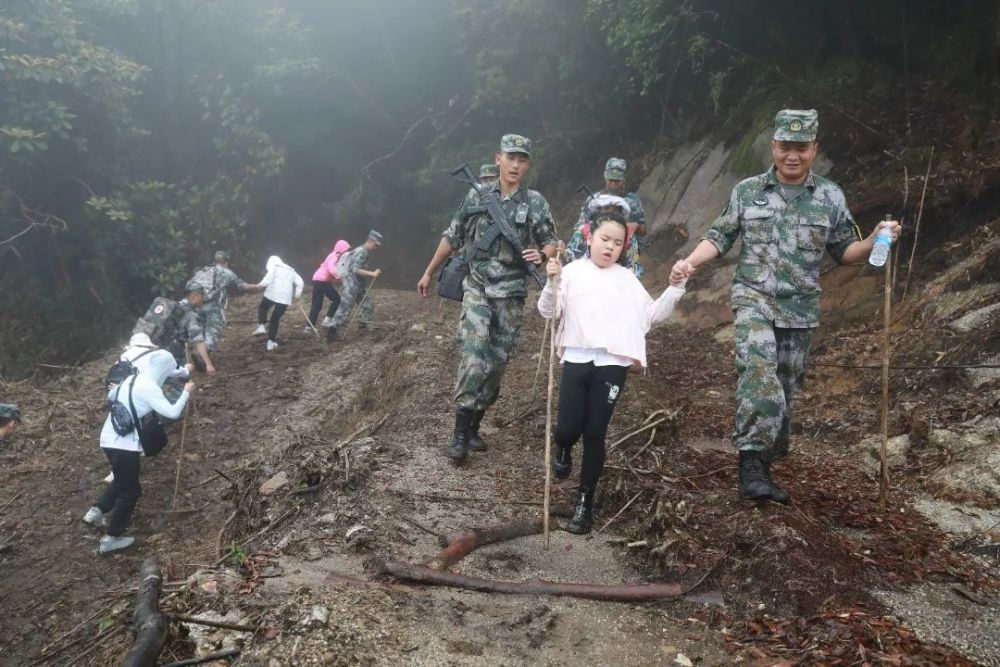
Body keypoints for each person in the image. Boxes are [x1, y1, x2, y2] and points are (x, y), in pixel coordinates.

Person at [670, 109, 901, 505]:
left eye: (801, 148)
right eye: (784, 148)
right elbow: (720, 235)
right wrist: (691, 262)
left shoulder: (829, 196)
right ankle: (751, 470)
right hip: (753, 300)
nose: (792, 156)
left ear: (814, 149)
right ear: (773, 147)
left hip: (800, 310)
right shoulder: (748, 191)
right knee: (759, 378)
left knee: (783, 394)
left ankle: (763, 460)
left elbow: (846, 251)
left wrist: (878, 239)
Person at [539, 196, 685, 533]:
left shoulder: (627, 280)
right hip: (576, 356)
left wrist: (676, 288)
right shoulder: (571, 272)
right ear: (588, 237)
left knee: (595, 434)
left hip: (612, 365)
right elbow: (548, 312)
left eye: (618, 243)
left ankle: (584, 505)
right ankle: (562, 447)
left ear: (625, 247)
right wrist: (551, 281)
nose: (610, 247)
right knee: (567, 429)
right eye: (604, 239)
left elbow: (651, 316)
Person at [417, 133, 558, 464]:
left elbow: (552, 241)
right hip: (477, 286)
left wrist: (541, 253)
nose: (515, 165)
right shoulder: (476, 195)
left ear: (528, 165)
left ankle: (474, 425)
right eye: (511, 157)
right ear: (498, 159)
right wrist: (428, 272)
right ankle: (458, 434)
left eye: (522, 159)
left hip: (512, 294)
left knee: (496, 365)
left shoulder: (535, 202)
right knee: (473, 356)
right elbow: (452, 236)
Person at [83, 350, 193, 554]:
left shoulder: (130, 379)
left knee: (123, 478)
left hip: (108, 439)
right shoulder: (150, 386)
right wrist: (186, 391)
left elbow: (111, 396)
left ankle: (97, 510)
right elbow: (172, 412)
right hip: (123, 445)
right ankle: (110, 538)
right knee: (131, 491)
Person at [567, 157, 648, 278]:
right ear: (605, 176)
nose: (613, 184)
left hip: (623, 251)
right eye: (610, 180)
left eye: (617, 181)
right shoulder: (593, 199)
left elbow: (643, 230)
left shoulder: (632, 200)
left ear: (623, 179)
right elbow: (580, 228)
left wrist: (634, 227)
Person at [133, 282, 215, 375]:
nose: (203, 299)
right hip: (167, 352)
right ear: (195, 296)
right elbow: (198, 341)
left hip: (146, 346)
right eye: (202, 295)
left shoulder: (173, 307)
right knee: (180, 374)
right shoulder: (190, 315)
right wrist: (209, 364)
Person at [188, 250, 261, 350]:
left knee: (201, 327)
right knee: (214, 328)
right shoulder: (227, 273)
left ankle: (197, 349)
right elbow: (244, 286)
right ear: (226, 262)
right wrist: (260, 286)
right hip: (210, 305)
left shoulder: (204, 269)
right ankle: (204, 351)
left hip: (194, 303)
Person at [327, 231, 383, 341]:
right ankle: (331, 334)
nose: (376, 247)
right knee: (344, 310)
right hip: (351, 286)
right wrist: (372, 273)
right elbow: (355, 270)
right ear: (369, 241)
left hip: (358, 286)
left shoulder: (365, 252)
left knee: (368, 305)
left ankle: (363, 330)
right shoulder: (360, 251)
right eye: (375, 244)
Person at [254, 255, 304, 350]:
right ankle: (270, 343)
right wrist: (297, 295)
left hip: (272, 293)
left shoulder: (275, 267)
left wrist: (259, 285)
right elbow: (300, 282)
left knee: (263, 308)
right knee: (274, 320)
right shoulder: (291, 270)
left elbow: (268, 278)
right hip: (285, 298)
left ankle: (261, 326)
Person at [307, 240, 350, 331]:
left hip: (317, 279)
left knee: (317, 304)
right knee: (336, 299)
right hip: (322, 281)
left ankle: (308, 327)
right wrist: (338, 276)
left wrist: (337, 276)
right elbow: (331, 267)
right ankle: (327, 321)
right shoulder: (335, 256)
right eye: (346, 250)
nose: (346, 253)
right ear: (341, 250)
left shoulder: (333, 255)